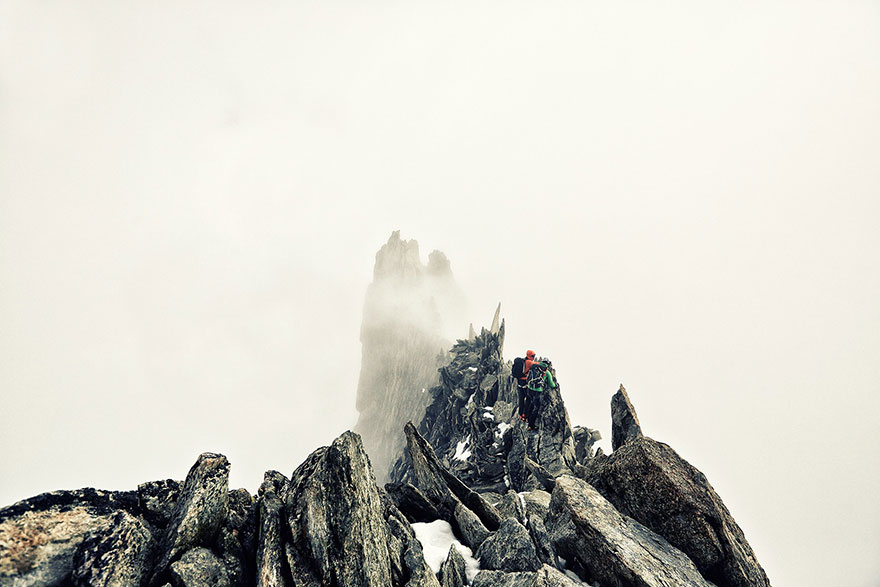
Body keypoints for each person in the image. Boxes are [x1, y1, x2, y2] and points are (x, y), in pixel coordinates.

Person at [515, 350, 557, 430]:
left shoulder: (533, 367)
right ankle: (531, 425)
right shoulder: (546, 372)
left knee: (528, 402)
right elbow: (551, 384)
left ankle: (525, 417)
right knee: (536, 407)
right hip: (537, 391)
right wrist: (555, 386)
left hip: (529, 388)